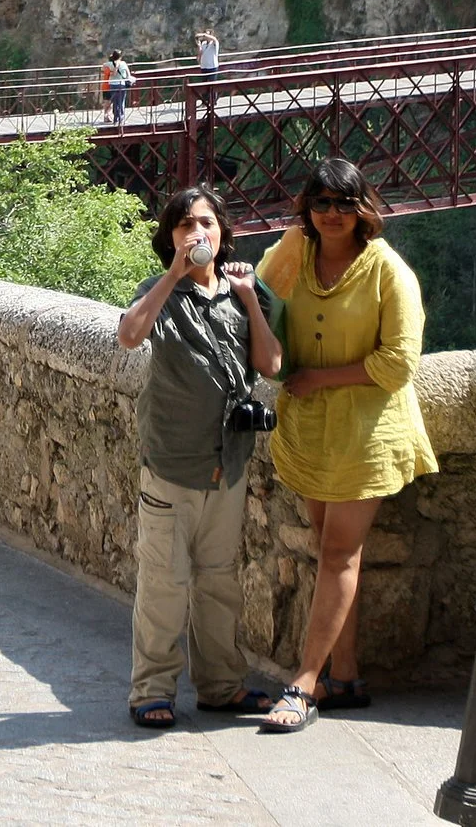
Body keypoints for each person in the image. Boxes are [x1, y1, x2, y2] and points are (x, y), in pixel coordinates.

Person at [253, 158, 435, 734]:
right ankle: (346, 676)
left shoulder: (388, 271)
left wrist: (321, 379)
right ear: (307, 208)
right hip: (311, 432)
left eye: (343, 203)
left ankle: (305, 682)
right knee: (330, 551)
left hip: (366, 432)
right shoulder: (299, 257)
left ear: (364, 209)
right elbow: (259, 288)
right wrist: (292, 232)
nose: (332, 214)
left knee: (337, 555)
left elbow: (399, 363)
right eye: (320, 203)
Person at [117, 186, 283, 729]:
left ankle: (221, 686)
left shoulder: (244, 292)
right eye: (185, 225)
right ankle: (151, 690)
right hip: (172, 462)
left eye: (206, 223)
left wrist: (250, 296)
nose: (198, 234)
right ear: (170, 237)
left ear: (223, 231)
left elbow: (270, 363)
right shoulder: (161, 293)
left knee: (219, 579)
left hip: (227, 462)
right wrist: (172, 274)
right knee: (165, 581)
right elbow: (128, 336)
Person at [107, 50, 134, 126]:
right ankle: (121, 119)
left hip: (113, 85)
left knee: (115, 102)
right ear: (120, 57)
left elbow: (108, 73)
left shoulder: (109, 64)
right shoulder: (123, 63)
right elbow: (128, 74)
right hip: (121, 84)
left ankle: (115, 120)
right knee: (121, 102)